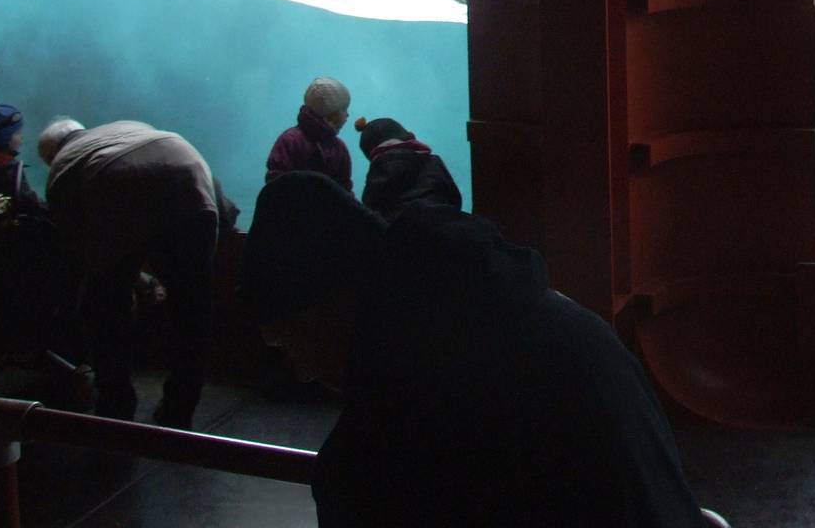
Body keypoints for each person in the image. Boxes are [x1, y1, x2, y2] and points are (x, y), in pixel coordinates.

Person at [239, 172, 709, 528]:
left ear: (327, 308)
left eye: (285, 342)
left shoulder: (385, 445)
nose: (298, 370)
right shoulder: (541, 314)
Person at [39, 116, 218, 427]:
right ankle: (180, 410)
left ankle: (115, 407)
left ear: (53, 153)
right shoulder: (124, 125)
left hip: (115, 183)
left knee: (105, 305)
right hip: (187, 165)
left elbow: (81, 251)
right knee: (193, 307)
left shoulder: (62, 167)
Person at [356, 116, 462, 222]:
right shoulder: (433, 161)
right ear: (410, 137)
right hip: (443, 225)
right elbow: (455, 198)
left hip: (401, 234)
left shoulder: (376, 174)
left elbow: (370, 210)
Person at [266, 76, 353, 191]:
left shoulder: (289, 139)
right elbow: (345, 191)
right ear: (330, 112)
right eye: (344, 109)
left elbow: (274, 183)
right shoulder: (338, 148)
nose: (347, 115)